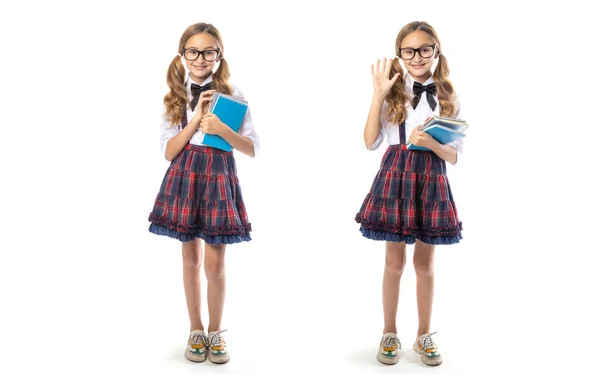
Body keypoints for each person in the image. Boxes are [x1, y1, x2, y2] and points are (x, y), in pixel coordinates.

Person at [147, 22, 259, 364]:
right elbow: (169, 151)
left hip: (218, 177)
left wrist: (223, 128)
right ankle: (195, 329)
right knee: (190, 258)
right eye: (193, 51)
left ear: (218, 55)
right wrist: (196, 119)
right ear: (183, 55)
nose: (200, 58)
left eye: (208, 51)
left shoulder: (234, 93)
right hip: (185, 176)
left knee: (216, 262)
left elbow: (252, 147)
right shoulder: (175, 95)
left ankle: (216, 330)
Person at [355, 21, 464, 366]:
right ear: (399, 54)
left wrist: (431, 142)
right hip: (396, 177)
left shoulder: (448, 95)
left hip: (431, 179)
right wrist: (377, 94)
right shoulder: (392, 90)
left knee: (426, 265)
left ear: (436, 51)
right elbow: (370, 142)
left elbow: (455, 154)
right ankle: (389, 332)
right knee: (393, 262)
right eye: (408, 51)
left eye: (424, 49)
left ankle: (423, 335)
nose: (416, 57)